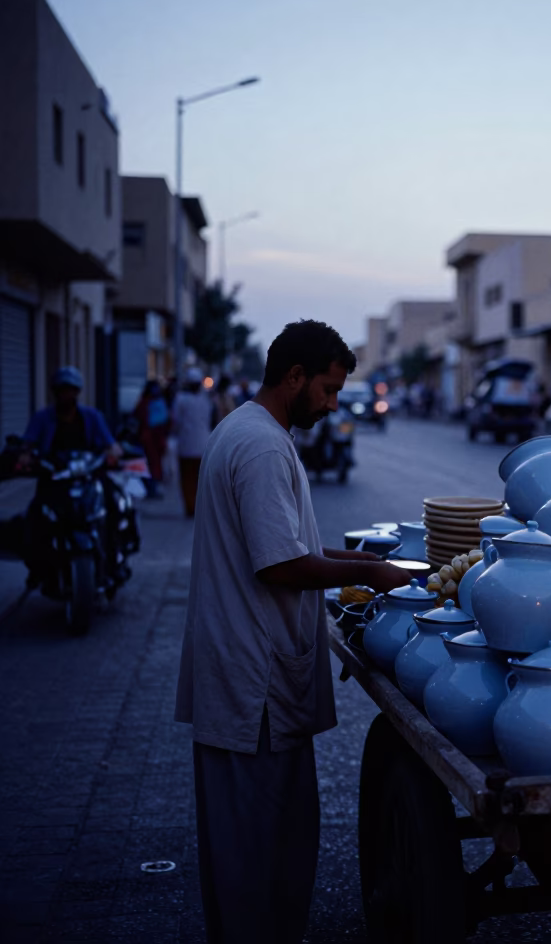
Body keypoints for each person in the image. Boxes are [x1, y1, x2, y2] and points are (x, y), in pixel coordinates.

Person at [174, 319, 410, 944]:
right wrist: (374, 574)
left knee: (274, 843)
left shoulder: (257, 432)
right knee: (255, 855)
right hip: (252, 687)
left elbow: (292, 542)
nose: (334, 405)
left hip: (254, 677)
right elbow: (280, 564)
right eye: (329, 390)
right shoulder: (258, 446)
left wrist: (365, 563)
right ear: (295, 376)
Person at [16, 366, 124, 586]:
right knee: (35, 517)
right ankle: (38, 568)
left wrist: (113, 453)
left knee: (113, 504)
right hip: (55, 480)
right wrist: (26, 456)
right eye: (62, 390)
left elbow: (111, 445)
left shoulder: (92, 417)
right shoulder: (42, 418)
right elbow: (27, 445)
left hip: (88, 477)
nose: (67, 395)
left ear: (78, 392)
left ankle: (114, 561)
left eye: (71, 390)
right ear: (55, 392)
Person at [171, 368, 213, 517]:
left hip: (186, 446)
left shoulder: (181, 399)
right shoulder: (205, 400)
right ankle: (198, 507)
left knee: (187, 479)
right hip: (203, 445)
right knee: (200, 480)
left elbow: (175, 421)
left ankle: (190, 507)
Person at [133, 379, 170, 498]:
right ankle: (150, 489)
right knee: (150, 465)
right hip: (148, 439)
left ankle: (152, 488)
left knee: (153, 465)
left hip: (155, 439)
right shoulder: (146, 403)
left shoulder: (154, 402)